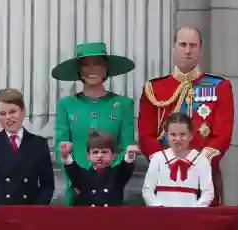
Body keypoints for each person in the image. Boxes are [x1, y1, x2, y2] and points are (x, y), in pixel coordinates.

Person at [138, 26, 234, 206]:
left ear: (200, 49)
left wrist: (198, 163)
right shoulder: (154, 88)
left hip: (204, 175)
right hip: (164, 175)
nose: (188, 51)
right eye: (183, 45)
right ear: (174, 47)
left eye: (193, 45)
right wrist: (165, 163)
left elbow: (223, 134)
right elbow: (146, 134)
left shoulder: (219, 87)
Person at [52, 42, 136, 205]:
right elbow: (60, 146)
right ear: (79, 70)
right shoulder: (66, 104)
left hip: (110, 190)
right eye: (85, 64)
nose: (92, 69)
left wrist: (112, 180)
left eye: (97, 63)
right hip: (77, 189)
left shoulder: (124, 105)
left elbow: (127, 146)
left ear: (106, 69)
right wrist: (74, 181)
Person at [0, 88, 55, 205]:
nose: (8, 117)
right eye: (3, 114)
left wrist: (37, 211)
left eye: (13, 112)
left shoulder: (39, 144)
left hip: (28, 213)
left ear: (23, 112)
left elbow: (47, 185)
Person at [142, 112, 214, 207]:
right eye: (173, 134)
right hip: (161, 215)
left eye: (182, 134)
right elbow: (147, 190)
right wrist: (158, 207)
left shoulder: (200, 160)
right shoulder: (158, 158)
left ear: (191, 136)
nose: (178, 139)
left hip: (190, 216)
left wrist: (195, 210)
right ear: (167, 136)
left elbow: (208, 193)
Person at [60, 131, 136, 207]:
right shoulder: (83, 175)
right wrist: (65, 155)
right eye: (95, 152)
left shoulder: (117, 174)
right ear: (88, 156)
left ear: (112, 156)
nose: (100, 155)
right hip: (88, 217)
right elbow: (72, 169)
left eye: (104, 152)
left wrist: (130, 154)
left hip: (112, 217)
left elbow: (126, 167)